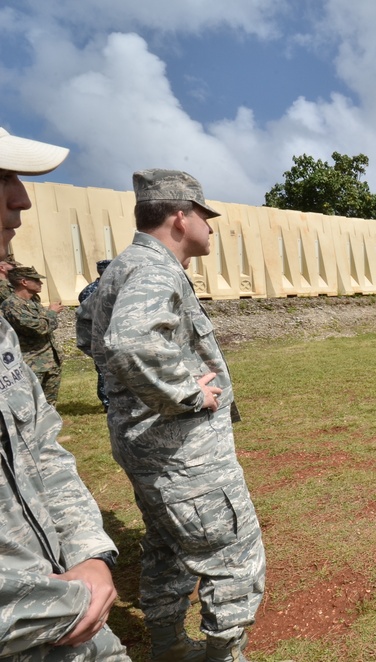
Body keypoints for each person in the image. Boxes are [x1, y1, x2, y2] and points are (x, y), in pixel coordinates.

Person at [77, 169, 265, 662]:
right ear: (180, 216)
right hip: (184, 455)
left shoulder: (121, 267)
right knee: (232, 556)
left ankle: (169, 647)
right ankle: (225, 655)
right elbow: (128, 341)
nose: (212, 226)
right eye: (205, 215)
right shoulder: (155, 268)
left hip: (148, 449)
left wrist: (132, 392)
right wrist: (185, 392)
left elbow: (88, 334)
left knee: (166, 546)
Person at [0, 127, 130, 659]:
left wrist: (90, 554)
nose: (22, 199)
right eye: (2, 178)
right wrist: (46, 610)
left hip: (72, 612)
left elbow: (39, 448)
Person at [1, 265, 64, 405]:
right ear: (24, 282)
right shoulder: (12, 305)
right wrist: (52, 313)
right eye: (36, 280)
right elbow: (38, 328)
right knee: (31, 404)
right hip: (32, 363)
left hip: (50, 360)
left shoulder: (33, 301)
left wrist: (48, 316)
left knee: (49, 405)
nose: (40, 283)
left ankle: (49, 427)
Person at [77, 259, 112, 411]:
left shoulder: (88, 289)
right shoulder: (105, 288)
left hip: (95, 334)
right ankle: (108, 402)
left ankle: (107, 401)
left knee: (103, 369)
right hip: (103, 333)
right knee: (105, 369)